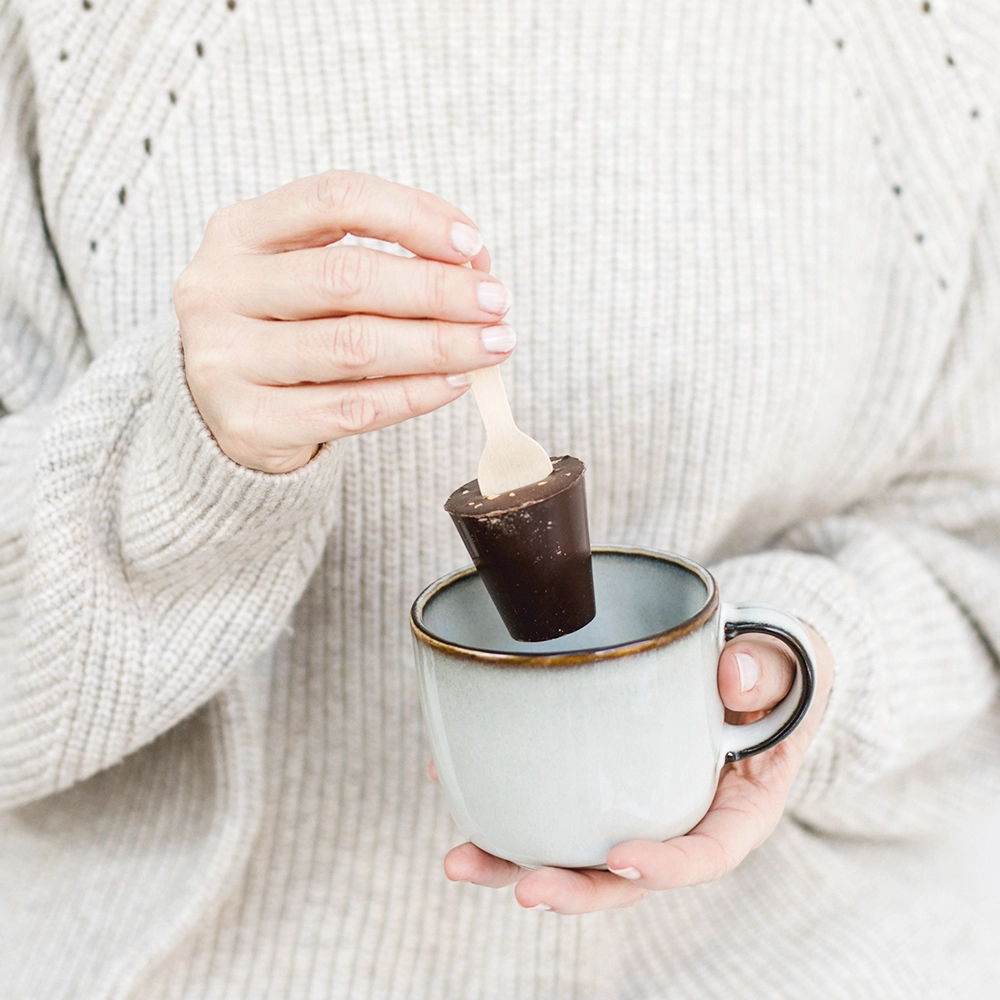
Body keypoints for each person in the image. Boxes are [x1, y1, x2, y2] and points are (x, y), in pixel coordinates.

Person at [1, 1, 998, 997]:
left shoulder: (921, 34)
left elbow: (972, 545)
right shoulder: (77, 32)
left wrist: (800, 666)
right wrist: (173, 463)